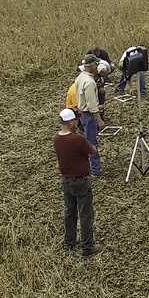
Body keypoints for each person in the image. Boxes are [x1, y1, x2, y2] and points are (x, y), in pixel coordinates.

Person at [53, 108, 101, 257]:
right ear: (70, 122)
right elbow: (93, 151)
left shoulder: (56, 138)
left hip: (65, 180)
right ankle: (87, 247)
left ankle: (69, 242)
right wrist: (83, 137)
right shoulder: (77, 139)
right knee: (86, 214)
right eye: (75, 120)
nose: (77, 122)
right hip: (80, 181)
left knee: (69, 211)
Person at [75, 54, 105, 177]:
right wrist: (99, 120)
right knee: (92, 142)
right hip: (88, 115)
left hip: (82, 113)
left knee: (87, 139)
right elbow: (92, 105)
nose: (97, 66)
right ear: (91, 65)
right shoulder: (89, 82)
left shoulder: (81, 77)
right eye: (96, 64)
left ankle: (89, 164)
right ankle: (96, 169)